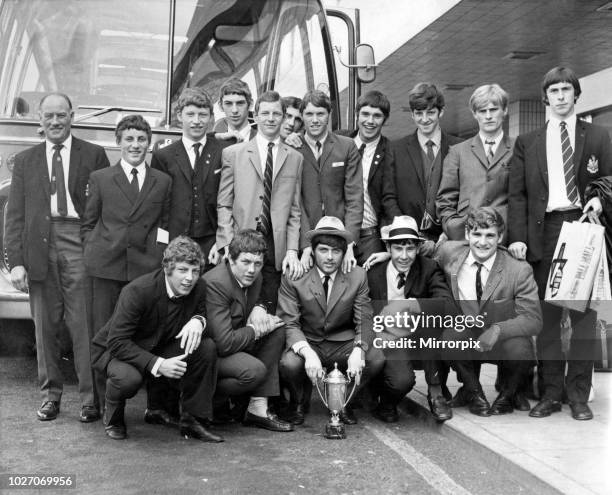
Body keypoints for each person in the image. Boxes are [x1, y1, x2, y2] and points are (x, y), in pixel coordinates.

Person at [508, 66, 612, 420]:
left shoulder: (598, 135)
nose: (561, 96)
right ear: (545, 98)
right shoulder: (528, 142)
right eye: (554, 91)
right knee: (548, 316)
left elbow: (611, 178)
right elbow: (517, 194)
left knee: (582, 316)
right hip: (545, 230)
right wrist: (518, 239)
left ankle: (578, 395)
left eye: (567, 89)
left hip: (584, 225)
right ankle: (551, 392)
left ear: (576, 95)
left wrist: (600, 198)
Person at [5, 92, 110, 422]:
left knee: (84, 325)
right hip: (40, 247)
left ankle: (91, 400)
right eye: (48, 116)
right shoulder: (25, 161)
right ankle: (50, 395)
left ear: (72, 116)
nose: (55, 121)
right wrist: (16, 262)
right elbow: (15, 217)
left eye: (61, 115)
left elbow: (105, 209)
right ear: (39, 119)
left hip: (79, 242)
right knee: (45, 328)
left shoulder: (93, 155)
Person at [91, 236, 222, 442]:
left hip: (157, 344)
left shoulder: (199, 287)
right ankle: (113, 416)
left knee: (205, 347)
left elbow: (201, 312)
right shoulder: (138, 291)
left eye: (195, 271)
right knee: (128, 379)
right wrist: (158, 364)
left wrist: (198, 320)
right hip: (119, 350)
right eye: (183, 270)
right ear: (168, 268)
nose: (189, 278)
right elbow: (117, 342)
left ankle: (192, 420)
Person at [277, 216, 384, 425]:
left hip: (341, 342)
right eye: (323, 250)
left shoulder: (357, 275)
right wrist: (307, 353)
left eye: (336, 251)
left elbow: (364, 317)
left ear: (344, 253)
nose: (329, 257)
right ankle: (299, 401)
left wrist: (359, 349)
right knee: (289, 363)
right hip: (309, 340)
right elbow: (289, 322)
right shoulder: (295, 276)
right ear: (313, 251)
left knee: (375, 358)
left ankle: (344, 402)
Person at [437, 207, 542, 416]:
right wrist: (385, 253)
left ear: (500, 237)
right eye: (476, 234)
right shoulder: (449, 252)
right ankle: (473, 392)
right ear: (467, 234)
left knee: (521, 349)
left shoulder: (519, 269)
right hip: (468, 334)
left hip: (502, 339)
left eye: (490, 236)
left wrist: (497, 330)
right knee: (450, 337)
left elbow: (533, 319)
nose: (482, 242)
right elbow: (423, 251)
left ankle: (508, 395)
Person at [82, 114, 172, 337]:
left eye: (141, 139)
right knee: (102, 330)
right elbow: (89, 223)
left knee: (139, 330)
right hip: (106, 267)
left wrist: (157, 254)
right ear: (118, 142)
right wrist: (94, 249)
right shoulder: (100, 178)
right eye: (129, 139)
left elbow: (165, 224)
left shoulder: (162, 181)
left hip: (145, 268)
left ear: (148, 144)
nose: (135, 145)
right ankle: (103, 373)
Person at [216, 90, 304, 312]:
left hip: (275, 248)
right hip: (240, 243)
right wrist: (226, 242)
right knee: (237, 308)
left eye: (276, 113)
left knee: (269, 307)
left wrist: (292, 250)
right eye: (265, 113)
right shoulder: (233, 154)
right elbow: (224, 204)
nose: (271, 118)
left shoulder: (295, 157)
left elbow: (294, 210)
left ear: (283, 116)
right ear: (256, 115)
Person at [367, 216, 456, 422]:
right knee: (401, 381)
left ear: (418, 248)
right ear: (388, 248)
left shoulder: (428, 268)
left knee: (430, 323)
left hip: (418, 339)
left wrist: (411, 305)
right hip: (386, 339)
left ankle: (436, 393)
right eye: (398, 248)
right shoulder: (373, 273)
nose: (404, 256)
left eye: (410, 249)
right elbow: (362, 313)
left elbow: (447, 305)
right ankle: (384, 402)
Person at [203, 230, 293, 432]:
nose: (252, 270)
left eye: (258, 264)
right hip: (211, 354)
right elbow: (224, 344)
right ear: (231, 259)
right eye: (246, 262)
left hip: (237, 341)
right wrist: (255, 330)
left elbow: (253, 298)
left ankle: (257, 408)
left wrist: (260, 307)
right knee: (254, 370)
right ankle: (210, 402)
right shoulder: (216, 284)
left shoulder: (254, 277)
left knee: (276, 329)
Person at [382, 83, 462, 257]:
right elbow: (389, 197)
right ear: (412, 114)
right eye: (419, 113)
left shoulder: (460, 147)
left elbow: (464, 195)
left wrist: (451, 231)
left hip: (449, 240)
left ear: (441, 112)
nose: (424, 119)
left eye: (431, 112)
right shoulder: (395, 149)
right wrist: (406, 231)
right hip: (409, 241)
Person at [151, 88, 223, 270]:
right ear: (179, 115)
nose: (196, 121)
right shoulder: (163, 156)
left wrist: (222, 241)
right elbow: (158, 206)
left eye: (203, 115)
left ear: (211, 117)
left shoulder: (224, 152)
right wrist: (162, 245)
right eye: (190, 114)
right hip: (175, 241)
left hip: (212, 243)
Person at [293, 90, 363, 273]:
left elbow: (354, 197)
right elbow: (294, 202)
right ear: (302, 116)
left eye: (320, 114)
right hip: (306, 236)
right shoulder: (291, 148)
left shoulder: (346, 146)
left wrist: (349, 243)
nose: (315, 120)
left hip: (340, 236)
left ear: (329, 115)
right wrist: (305, 244)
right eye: (309, 114)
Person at [437, 84, 514, 241]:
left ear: (504, 111)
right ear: (474, 114)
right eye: (482, 111)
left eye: (493, 110)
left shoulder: (518, 148)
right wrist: (454, 228)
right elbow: (445, 200)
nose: (488, 116)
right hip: (466, 237)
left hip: (506, 236)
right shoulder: (457, 152)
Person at [344, 90, 395, 264]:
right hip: (337, 236)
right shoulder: (338, 141)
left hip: (371, 238)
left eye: (377, 116)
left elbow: (392, 198)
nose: (370, 121)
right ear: (357, 114)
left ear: (385, 119)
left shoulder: (392, 152)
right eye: (365, 114)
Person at [213, 78, 257, 145]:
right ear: (220, 106)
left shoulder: (264, 139)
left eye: (240, 103)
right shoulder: (213, 144)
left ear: (250, 104)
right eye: (228, 103)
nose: (234, 110)